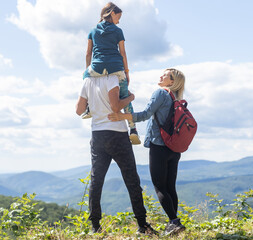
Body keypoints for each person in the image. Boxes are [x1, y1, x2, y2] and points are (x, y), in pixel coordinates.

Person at [108, 68, 187, 236]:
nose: (161, 76)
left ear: (172, 82)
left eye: (165, 75)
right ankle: (173, 222)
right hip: (174, 148)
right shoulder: (176, 98)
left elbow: (145, 114)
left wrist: (122, 117)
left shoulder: (161, 93)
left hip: (159, 146)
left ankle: (174, 222)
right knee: (170, 187)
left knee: (159, 187)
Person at [75, 74, 157, 235]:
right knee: (131, 179)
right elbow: (115, 106)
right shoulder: (112, 78)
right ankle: (142, 225)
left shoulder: (87, 81)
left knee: (96, 180)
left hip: (97, 135)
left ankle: (95, 227)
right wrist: (131, 97)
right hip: (117, 134)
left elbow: (78, 110)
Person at [81, 2, 141, 145]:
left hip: (96, 67)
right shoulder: (118, 30)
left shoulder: (92, 31)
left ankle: (89, 108)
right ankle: (133, 129)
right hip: (116, 67)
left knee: (84, 77)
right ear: (112, 13)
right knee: (125, 95)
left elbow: (88, 53)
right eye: (118, 17)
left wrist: (88, 73)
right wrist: (126, 72)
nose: (118, 21)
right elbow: (123, 53)